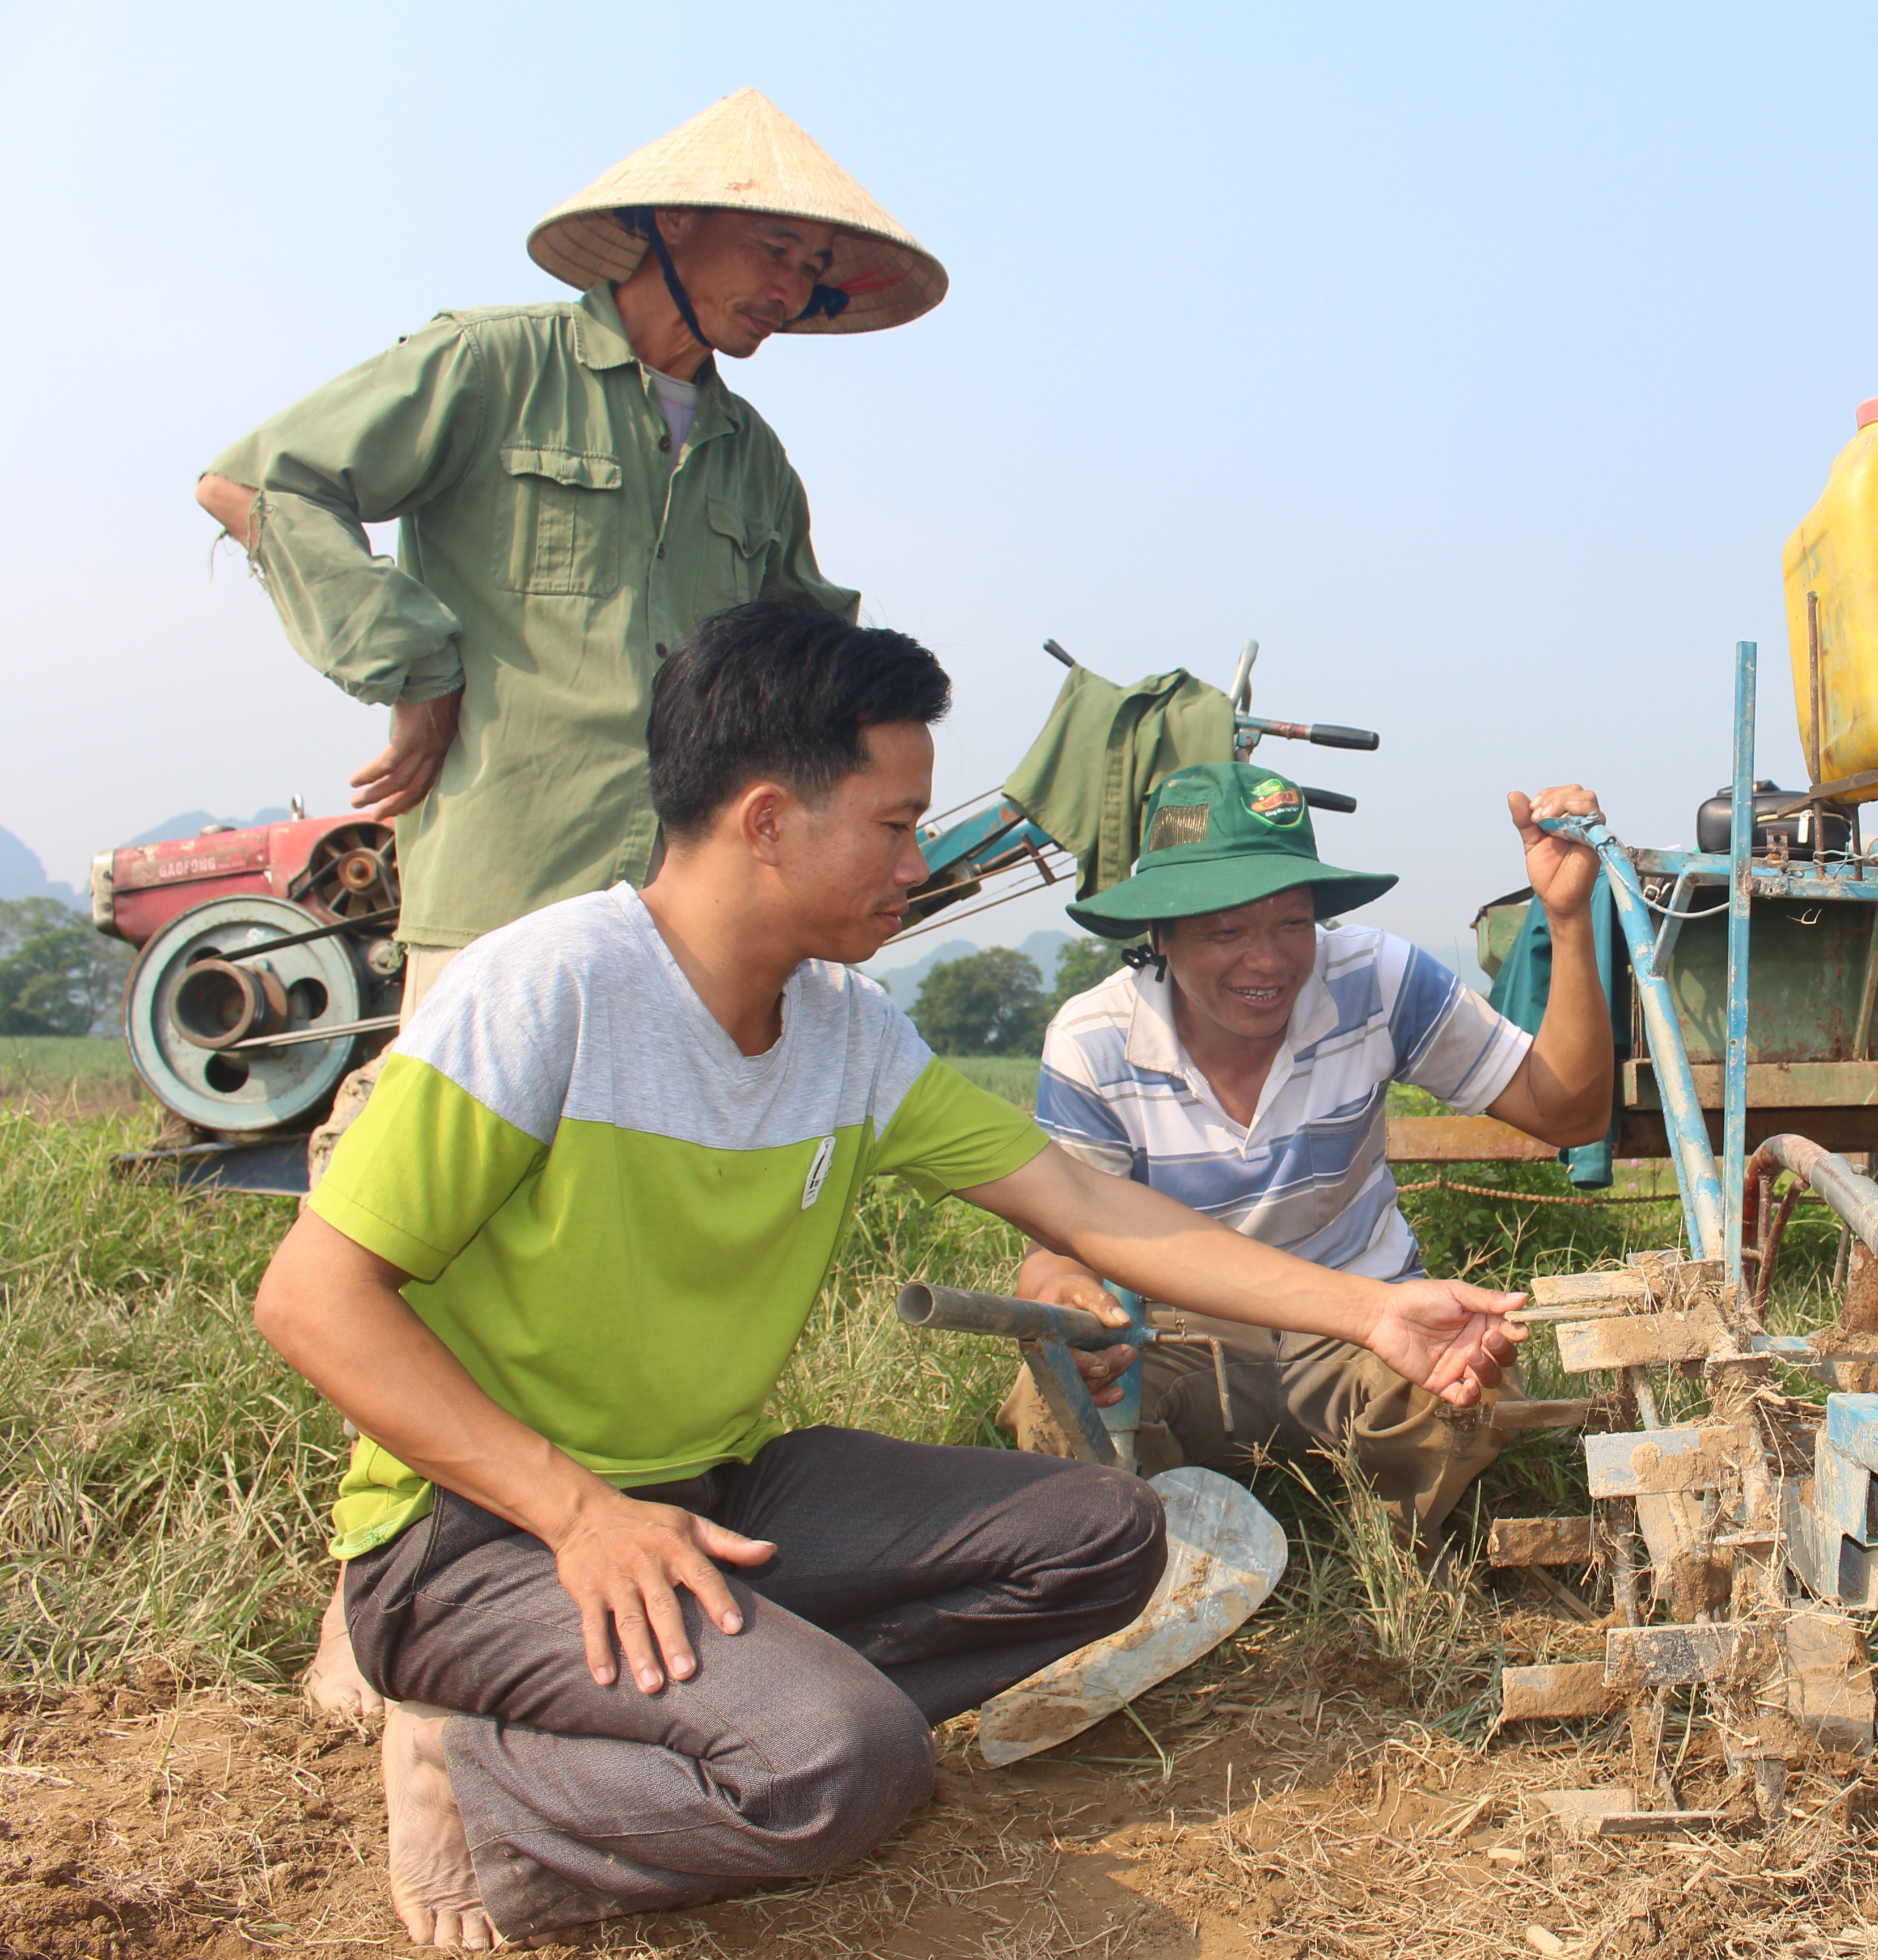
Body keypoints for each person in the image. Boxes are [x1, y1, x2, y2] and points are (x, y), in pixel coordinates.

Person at [250, 602, 1526, 1950]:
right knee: (849, 1768)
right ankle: (493, 1786)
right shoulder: (550, 990)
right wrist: (579, 1517)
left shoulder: (845, 1030)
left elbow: (1091, 1205)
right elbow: (312, 1301)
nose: (917, 863)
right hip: (479, 1533)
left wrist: (1374, 1308)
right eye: (895, 824)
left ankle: (728, 1688)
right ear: (766, 821)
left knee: (1106, 1535)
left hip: (710, 1492)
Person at [197, 87, 941, 1715]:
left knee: (612, 1255)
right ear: (663, 235)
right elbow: (261, 480)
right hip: (515, 880)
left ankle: (610, 1566)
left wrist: (879, 826)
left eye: (818, 261)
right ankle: (384, 1607)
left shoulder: (750, 457)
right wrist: (414, 664)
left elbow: (817, 661)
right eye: (775, 245)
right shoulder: (491, 365)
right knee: (419, 1244)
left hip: (689, 923)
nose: (793, 282)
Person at [1006, 761, 1612, 1539]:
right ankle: (1146, 1546)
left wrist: (1566, 920)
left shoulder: (1374, 978)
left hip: (1364, 1322)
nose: (1269, 961)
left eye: (1293, 924)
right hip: (1179, 1339)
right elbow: (1056, 1251)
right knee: (1052, 1394)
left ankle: (1391, 1533)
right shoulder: (1093, 1043)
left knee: (1470, 1385)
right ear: (1158, 934)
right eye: (1226, 930)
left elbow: (1569, 1113)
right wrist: (1066, 1305)